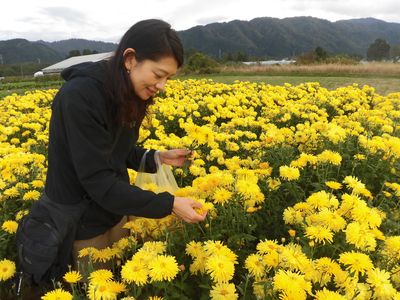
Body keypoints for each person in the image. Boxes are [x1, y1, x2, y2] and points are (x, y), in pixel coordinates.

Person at [16, 19, 207, 295]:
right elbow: (98, 181)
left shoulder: (128, 93)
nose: (162, 86)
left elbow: (117, 151)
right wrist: (170, 204)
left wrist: (157, 157)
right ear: (130, 59)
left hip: (114, 210)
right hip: (82, 221)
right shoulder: (80, 97)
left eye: (168, 78)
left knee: (121, 278)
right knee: (95, 288)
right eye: (158, 74)